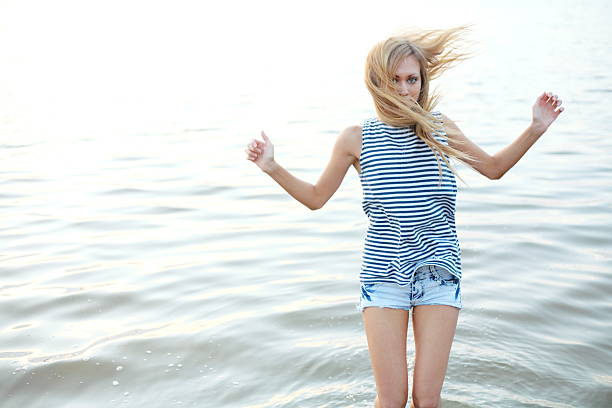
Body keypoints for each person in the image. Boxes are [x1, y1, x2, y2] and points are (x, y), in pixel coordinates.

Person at [244, 26, 563, 408]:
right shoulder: (356, 138)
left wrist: (536, 128)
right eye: (393, 80)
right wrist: (272, 166)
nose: (404, 89)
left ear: (422, 81)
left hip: (438, 269)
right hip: (382, 273)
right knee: (391, 398)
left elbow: (493, 168)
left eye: (412, 79)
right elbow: (315, 198)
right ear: (376, 82)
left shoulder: (440, 128)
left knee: (426, 399)